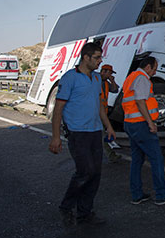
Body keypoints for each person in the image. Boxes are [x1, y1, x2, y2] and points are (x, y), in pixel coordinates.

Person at [48, 42, 115, 227]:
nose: (100, 61)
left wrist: (108, 126)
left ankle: (85, 213)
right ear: (86, 57)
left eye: (100, 57)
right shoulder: (70, 78)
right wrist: (55, 136)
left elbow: (100, 106)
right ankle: (66, 206)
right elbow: (58, 109)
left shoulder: (95, 79)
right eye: (97, 58)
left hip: (95, 131)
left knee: (95, 174)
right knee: (85, 171)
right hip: (78, 133)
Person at [121, 56, 165, 206]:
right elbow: (140, 101)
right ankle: (161, 195)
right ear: (147, 67)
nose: (155, 71)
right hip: (141, 125)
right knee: (156, 159)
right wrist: (150, 122)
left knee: (137, 159)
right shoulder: (142, 79)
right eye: (154, 68)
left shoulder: (131, 77)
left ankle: (137, 194)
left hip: (130, 123)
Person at [99, 64, 121, 163]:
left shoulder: (107, 83)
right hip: (96, 114)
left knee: (101, 135)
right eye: (110, 73)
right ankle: (111, 156)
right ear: (104, 71)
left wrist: (112, 80)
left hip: (103, 113)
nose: (110, 75)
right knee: (103, 135)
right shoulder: (95, 81)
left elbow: (115, 90)